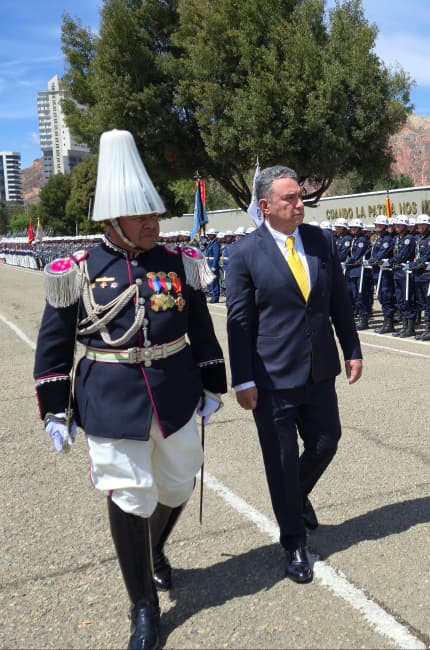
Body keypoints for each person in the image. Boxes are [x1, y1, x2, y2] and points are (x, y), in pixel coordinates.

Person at [33, 129, 226, 649]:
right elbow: (53, 348)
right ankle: (143, 606)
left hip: (175, 391)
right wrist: (54, 407)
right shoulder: (74, 270)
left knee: (180, 482)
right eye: (141, 217)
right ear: (111, 220)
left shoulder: (175, 262)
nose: (152, 224)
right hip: (111, 397)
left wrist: (213, 381)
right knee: (132, 494)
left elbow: (200, 328)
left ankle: (154, 548)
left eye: (155, 215)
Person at [225, 165, 363, 584]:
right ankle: (293, 542)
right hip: (271, 378)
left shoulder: (321, 241)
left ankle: (294, 495)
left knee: (327, 441)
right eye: (291, 198)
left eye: (301, 196)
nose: (300, 204)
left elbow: (338, 298)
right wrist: (243, 379)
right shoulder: (245, 253)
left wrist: (351, 348)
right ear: (265, 206)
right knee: (282, 462)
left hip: (319, 369)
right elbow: (239, 322)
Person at [203, 230, 222, 302]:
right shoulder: (210, 243)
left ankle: (215, 297)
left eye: (211, 234)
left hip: (212, 264)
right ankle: (213, 295)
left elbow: (216, 255)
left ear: (214, 235)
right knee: (210, 281)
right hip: (208, 264)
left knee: (214, 281)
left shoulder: (216, 243)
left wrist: (214, 266)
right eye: (208, 234)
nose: (209, 236)